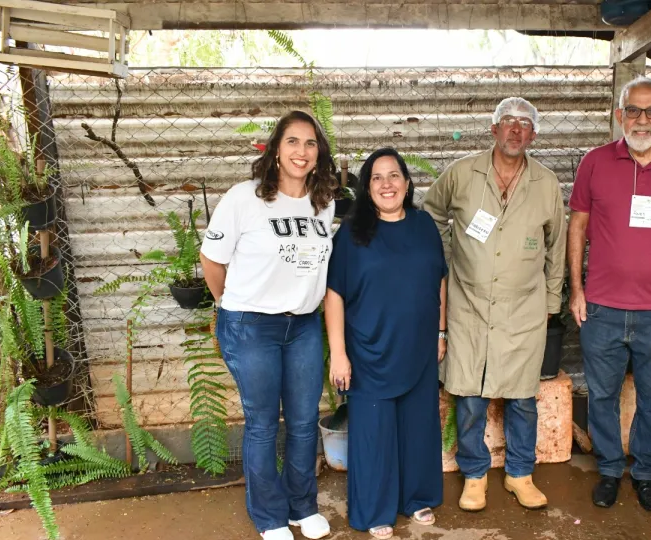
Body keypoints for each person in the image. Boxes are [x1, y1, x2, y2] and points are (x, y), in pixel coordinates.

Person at [422, 97, 566, 512]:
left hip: (524, 310)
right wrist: (446, 263)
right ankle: (475, 474)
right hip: (468, 306)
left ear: (534, 134)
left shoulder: (546, 183)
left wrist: (551, 299)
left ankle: (520, 473)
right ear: (494, 129)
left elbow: (556, 246)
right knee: (469, 397)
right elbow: (431, 214)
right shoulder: (462, 173)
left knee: (522, 398)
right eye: (508, 122)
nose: (516, 130)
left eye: (525, 124)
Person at [201, 110, 335, 540]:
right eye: (293, 141)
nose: (302, 151)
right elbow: (212, 260)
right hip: (252, 326)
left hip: (304, 327)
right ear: (276, 148)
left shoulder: (323, 202)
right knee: (262, 423)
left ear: (319, 153)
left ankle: (302, 507)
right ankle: (270, 516)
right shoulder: (245, 198)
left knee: (301, 421)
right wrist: (228, 306)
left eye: (311, 143)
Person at [568, 76, 651, 512]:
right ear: (618, 114)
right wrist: (576, 289)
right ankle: (609, 470)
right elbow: (578, 227)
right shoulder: (595, 162)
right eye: (633, 110)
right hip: (602, 307)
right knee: (602, 396)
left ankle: (644, 472)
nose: (642, 120)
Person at [324, 148, 447, 540]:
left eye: (394, 175)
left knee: (417, 424)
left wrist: (441, 333)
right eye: (377, 177)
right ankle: (376, 507)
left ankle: (416, 496)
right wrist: (339, 354)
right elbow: (334, 295)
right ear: (367, 187)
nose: (387, 184)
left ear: (408, 183)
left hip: (419, 348)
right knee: (374, 432)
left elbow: (439, 281)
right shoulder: (352, 233)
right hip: (369, 350)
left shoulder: (424, 225)